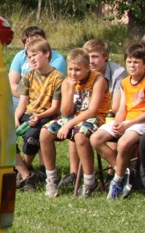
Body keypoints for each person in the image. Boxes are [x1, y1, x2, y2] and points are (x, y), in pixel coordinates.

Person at [38, 48, 109, 197]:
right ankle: (52, 178)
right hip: (73, 117)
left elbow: (92, 110)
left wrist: (68, 125)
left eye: (77, 70)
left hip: (96, 117)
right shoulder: (67, 82)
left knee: (80, 134)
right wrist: (70, 90)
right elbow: (66, 113)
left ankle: (90, 181)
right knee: (45, 132)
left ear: (87, 68)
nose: (73, 73)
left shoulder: (98, 80)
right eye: (70, 69)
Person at [91, 42, 145, 200]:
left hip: (140, 122)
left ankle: (117, 181)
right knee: (95, 138)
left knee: (123, 143)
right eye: (129, 61)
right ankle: (123, 171)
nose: (132, 65)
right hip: (126, 120)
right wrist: (118, 123)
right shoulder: (125, 82)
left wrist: (129, 124)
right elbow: (122, 107)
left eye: (136, 62)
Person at [14, 37, 64, 191]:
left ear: (47, 54)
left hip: (46, 116)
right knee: (3, 138)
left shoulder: (57, 77)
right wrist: (16, 117)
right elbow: (22, 103)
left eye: (35, 55)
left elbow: (55, 108)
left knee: (31, 138)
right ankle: (25, 174)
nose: (31, 59)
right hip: (28, 115)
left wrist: (39, 117)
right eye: (29, 57)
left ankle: (26, 173)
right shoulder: (28, 77)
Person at [9, 26, 67, 98]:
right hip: (20, 97)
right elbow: (11, 84)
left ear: (45, 40)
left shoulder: (57, 59)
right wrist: (26, 96)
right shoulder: (20, 56)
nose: (33, 46)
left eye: (37, 42)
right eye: (30, 43)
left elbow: (47, 87)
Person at [84, 38, 126, 106]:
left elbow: (116, 106)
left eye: (95, 56)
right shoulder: (82, 70)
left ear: (105, 56)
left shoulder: (118, 72)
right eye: (87, 57)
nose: (91, 61)